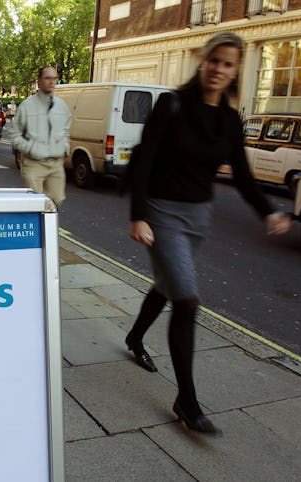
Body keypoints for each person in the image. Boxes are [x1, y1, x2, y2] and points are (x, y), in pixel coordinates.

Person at [125, 32, 292, 435]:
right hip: (162, 213)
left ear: (236, 71)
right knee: (187, 297)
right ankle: (187, 399)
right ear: (203, 61)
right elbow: (144, 157)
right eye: (214, 60)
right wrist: (139, 215)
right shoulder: (173, 104)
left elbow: (244, 174)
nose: (219, 69)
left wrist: (268, 211)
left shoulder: (230, 121)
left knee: (167, 285)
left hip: (198, 218)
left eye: (228, 64)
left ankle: (134, 337)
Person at [7, 66, 71, 209]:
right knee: (35, 206)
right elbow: (14, 133)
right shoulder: (27, 106)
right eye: (47, 78)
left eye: (54, 78)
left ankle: (47, 230)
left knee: (57, 202)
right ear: (39, 81)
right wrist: (30, 148)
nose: (51, 82)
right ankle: (37, 231)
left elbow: (66, 129)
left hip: (56, 163)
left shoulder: (61, 106)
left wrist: (64, 146)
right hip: (34, 163)